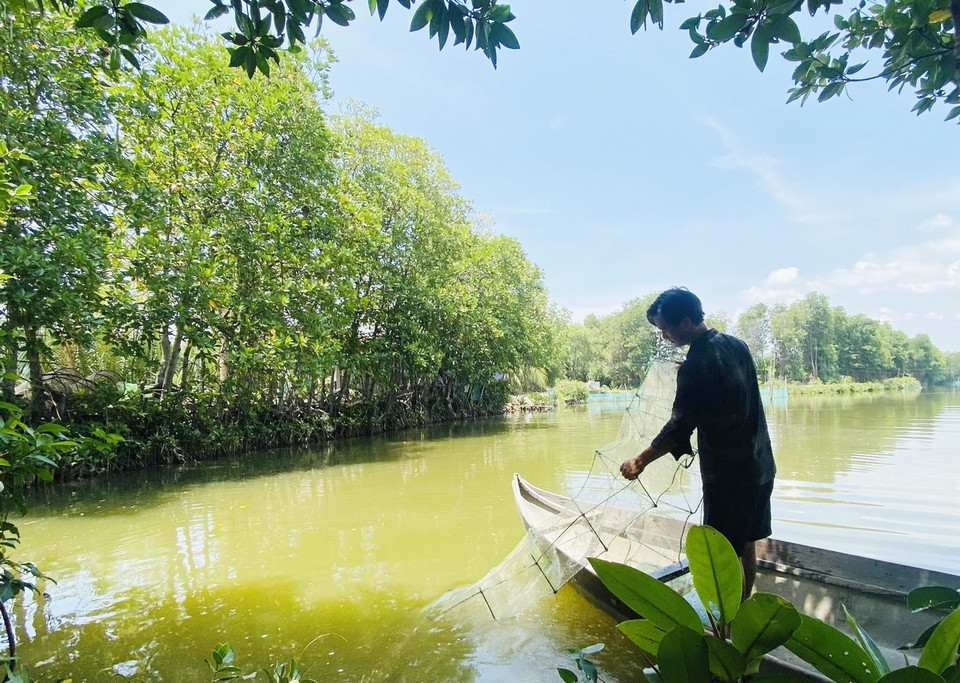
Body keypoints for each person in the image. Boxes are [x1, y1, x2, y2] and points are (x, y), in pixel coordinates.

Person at [619, 287, 775, 600]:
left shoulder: (697, 365)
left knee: (722, 554)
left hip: (728, 477)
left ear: (687, 321)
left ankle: (726, 628)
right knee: (746, 543)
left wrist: (640, 461)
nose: (664, 337)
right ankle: (742, 610)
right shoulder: (736, 345)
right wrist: (692, 370)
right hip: (760, 467)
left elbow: (679, 428)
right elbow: (725, 391)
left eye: (666, 329)